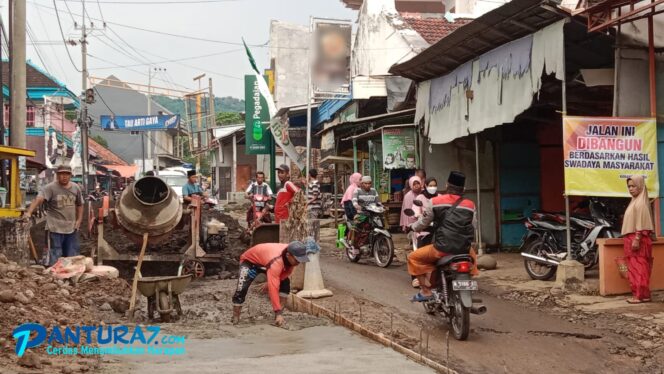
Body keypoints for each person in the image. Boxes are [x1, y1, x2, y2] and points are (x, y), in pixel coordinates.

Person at [407, 171, 476, 302]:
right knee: (472, 258)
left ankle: (426, 292)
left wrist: (412, 227)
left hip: (442, 248)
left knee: (412, 258)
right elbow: (474, 225)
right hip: (464, 248)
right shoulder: (470, 205)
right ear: (464, 189)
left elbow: (423, 222)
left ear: (446, 185)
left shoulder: (435, 201)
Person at [232, 241, 310, 326]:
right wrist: (271, 284)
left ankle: (279, 317)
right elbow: (273, 289)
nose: (298, 263)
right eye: (297, 260)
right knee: (242, 287)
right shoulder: (277, 261)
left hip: (266, 262)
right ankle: (236, 318)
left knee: (285, 284)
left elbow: (285, 274)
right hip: (250, 262)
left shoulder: (291, 256)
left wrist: (269, 282)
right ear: (288, 255)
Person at [24, 165, 83, 266]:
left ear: (70, 175)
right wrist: (29, 212)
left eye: (66, 174)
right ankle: (53, 277)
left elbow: (80, 205)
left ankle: (69, 277)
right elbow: (39, 199)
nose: (64, 176)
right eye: (61, 174)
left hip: (71, 227)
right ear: (57, 175)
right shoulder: (50, 188)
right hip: (54, 227)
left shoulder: (75, 188)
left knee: (71, 255)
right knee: (55, 254)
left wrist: (79, 220)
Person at [621, 175, 655, 304]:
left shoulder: (640, 204)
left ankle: (639, 296)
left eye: (633, 186)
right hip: (633, 238)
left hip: (637, 239)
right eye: (629, 186)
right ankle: (644, 295)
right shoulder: (635, 201)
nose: (630, 189)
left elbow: (642, 224)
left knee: (638, 268)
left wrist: (637, 238)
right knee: (638, 267)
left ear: (640, 186)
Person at [410, 177, 438, 288]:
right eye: (430, 185)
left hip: (439, 229)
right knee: (418, 255)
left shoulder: (440, 197)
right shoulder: (420, 198)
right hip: (424, 230)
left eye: (434, 185)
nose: (432, 188)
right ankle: (416, 277)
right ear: (425, 186)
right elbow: (416, 212)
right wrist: (419, 216)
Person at [349, 176, 380, 252]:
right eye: (365, 183)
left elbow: (377, 201)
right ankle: (354, 245)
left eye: (369, 183)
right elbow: (354, 200)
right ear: (362, 184)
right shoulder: (357, 190)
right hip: (362, 213)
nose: (367, 185)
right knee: (356, 227)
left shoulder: (373, 190)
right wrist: (357, 206)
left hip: (373, 214)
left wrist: (381, 206)